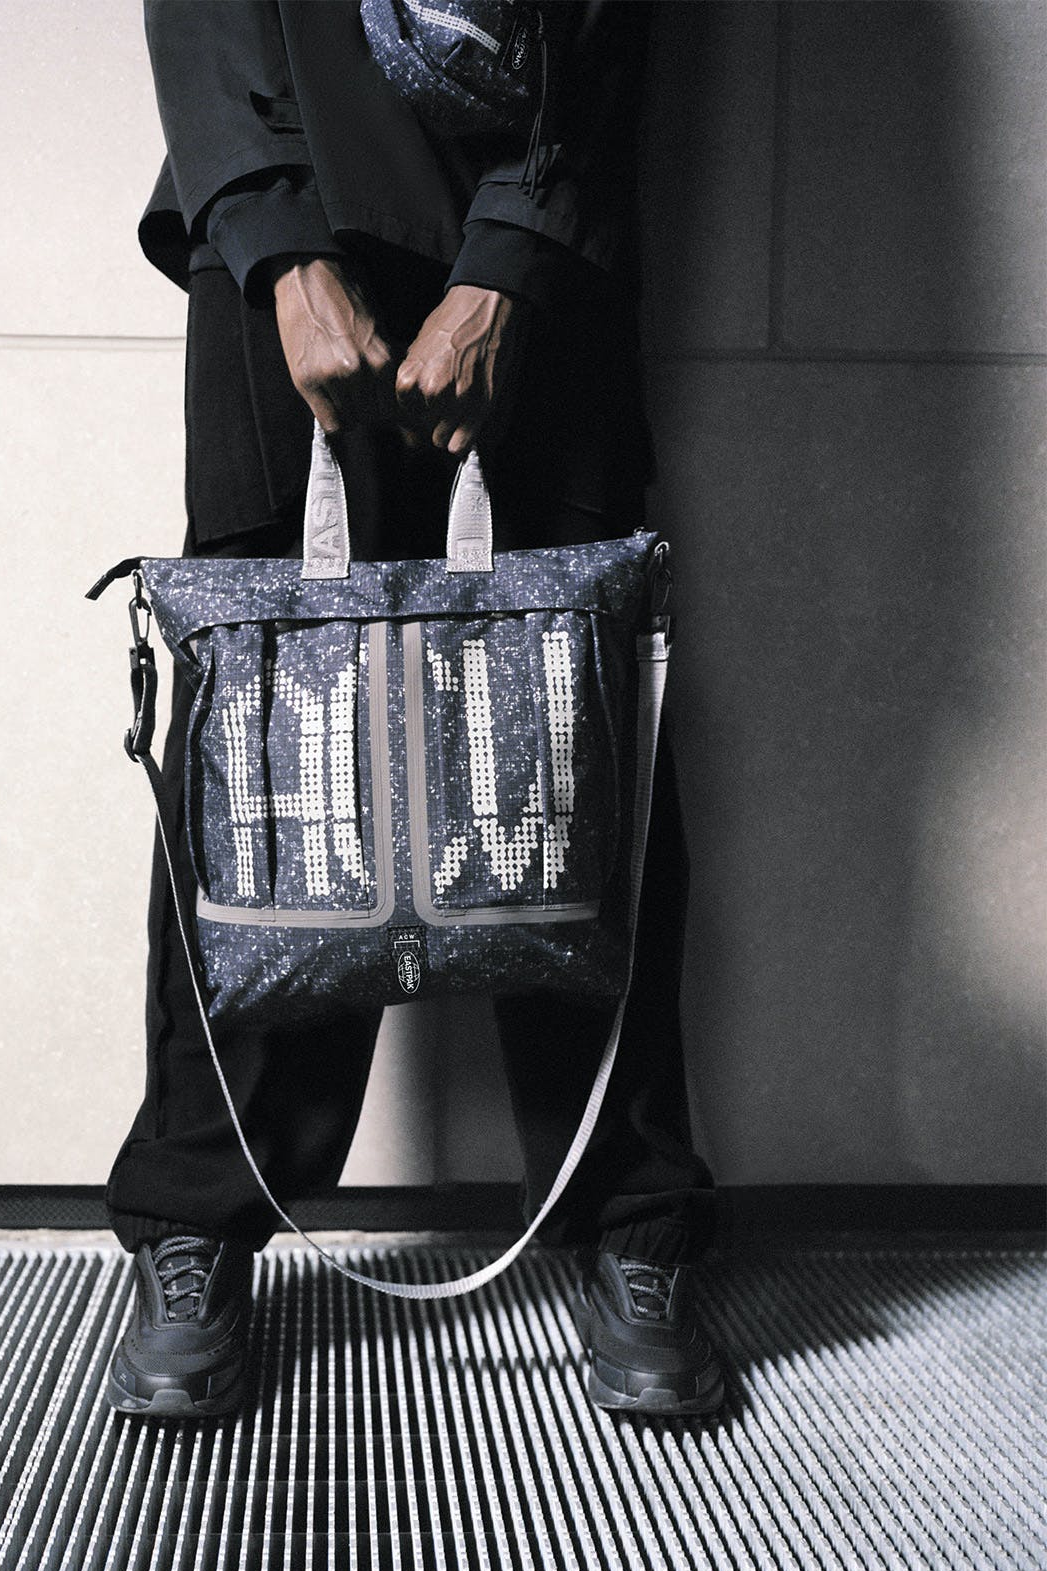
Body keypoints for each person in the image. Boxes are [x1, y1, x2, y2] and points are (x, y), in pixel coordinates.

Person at [105, 0, 723, 1420]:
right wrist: (278, 246)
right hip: (288, 198)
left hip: (550, 223)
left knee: (571, 745)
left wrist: (512, 260)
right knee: (269, 754)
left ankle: (633, 1220)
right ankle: (200, 1224)